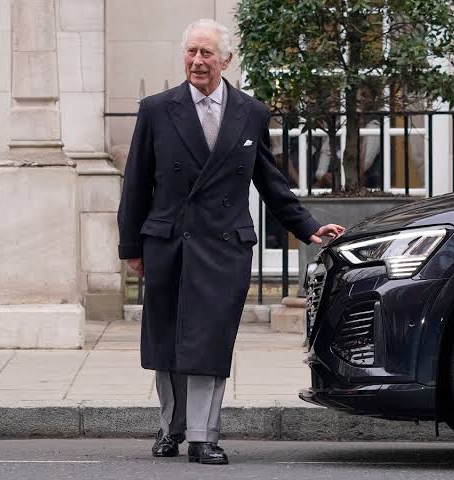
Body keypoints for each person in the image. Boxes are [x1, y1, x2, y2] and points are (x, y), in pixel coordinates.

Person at [117, 18, 344, 465]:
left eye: (206, 54)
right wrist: (131, 248)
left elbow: (270, 179)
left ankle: (204, 435)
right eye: (191, 53)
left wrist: (307, 227)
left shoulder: (250, 112)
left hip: (223, 246)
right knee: (167, 341)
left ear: (226, 60)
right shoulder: (157, 109)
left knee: (209, 339)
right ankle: (171, 426)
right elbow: (136, 182)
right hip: (168, 243)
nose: (197, 62)